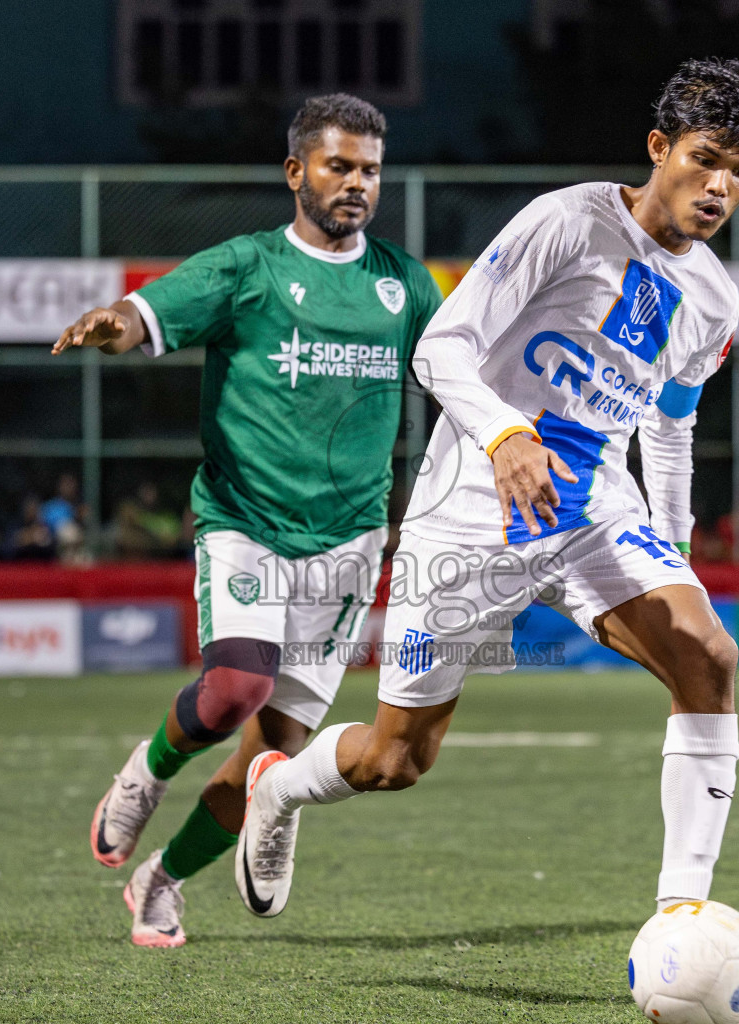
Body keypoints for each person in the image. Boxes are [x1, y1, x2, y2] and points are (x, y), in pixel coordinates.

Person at [231, 60, 739, 989]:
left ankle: (681, 922)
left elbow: (671, 422)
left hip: (593, 515)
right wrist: (503, 436)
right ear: (659, 149)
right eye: (706, 162)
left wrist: (678, 550)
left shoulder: (715, 299)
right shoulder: (570, 221)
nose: (722, 188)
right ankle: (277, 788)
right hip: (466, 521)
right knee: (395, 760)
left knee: (709, 654)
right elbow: (440, 346)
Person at [52, 93, 442, 948]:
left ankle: (163, 880)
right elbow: (146, 316)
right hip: (246, 521)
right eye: (339, 166)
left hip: (348, 542)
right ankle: (145, 772)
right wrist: (111, 324)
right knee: (236, 689)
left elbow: (461, 371)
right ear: (296, 171)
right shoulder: (247, 266)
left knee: (270, 760)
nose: (356, 185)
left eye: (370, 171)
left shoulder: (404, 285)